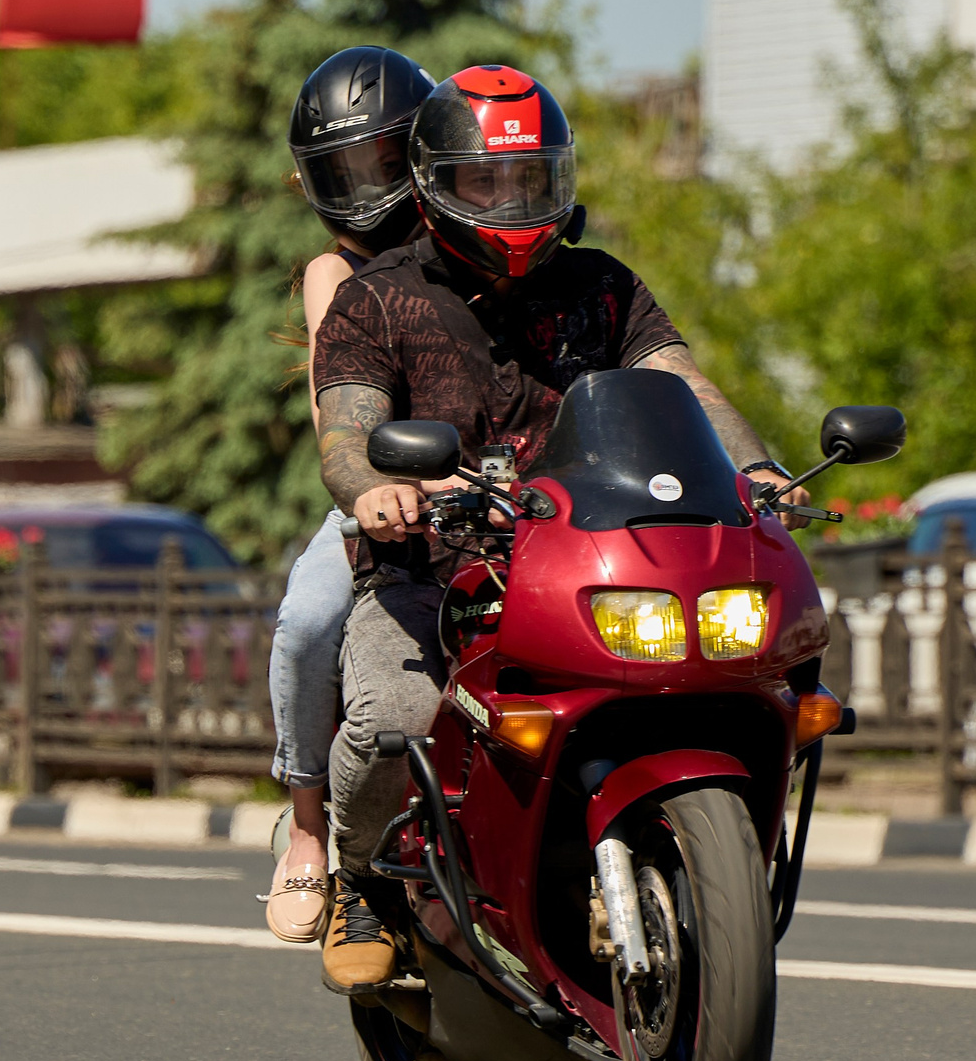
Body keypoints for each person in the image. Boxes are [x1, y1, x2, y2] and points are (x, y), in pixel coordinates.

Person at [308, 64, 800, 990]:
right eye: (482, 180)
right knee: (391, 721)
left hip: (585, 561)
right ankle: (361, 880)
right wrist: (373, 485)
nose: (508, 201)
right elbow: (344, 429)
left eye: (527, 179)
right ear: (432, 185)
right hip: (433, 570)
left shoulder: (604, 286)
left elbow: (681, 382)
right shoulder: (373, 298)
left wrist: (759, 468)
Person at [261, 46, 436, 944]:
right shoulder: (335, 274)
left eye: (384, 161)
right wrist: (387, 480)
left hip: (501, 499)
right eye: (345, 171)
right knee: (307, 620)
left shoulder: (466, 250)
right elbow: (344, 423)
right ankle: (306, 825)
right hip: (376, 499)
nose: (367, 188)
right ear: (311, 183)